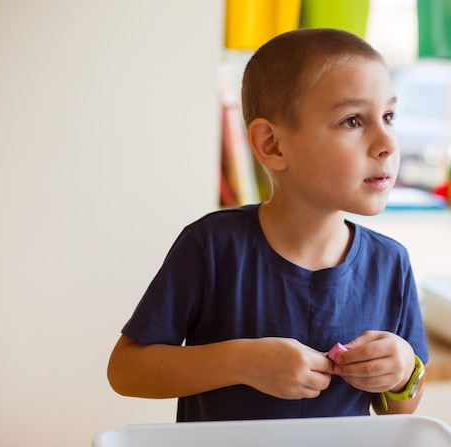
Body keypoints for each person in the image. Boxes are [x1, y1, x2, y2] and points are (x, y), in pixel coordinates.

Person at [107, 27, 429, 422]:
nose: (388, 143)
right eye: (352, 121)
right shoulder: (211, 246)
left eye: (389, 116)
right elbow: (126, 372)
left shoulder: (391, 264)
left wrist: (400, 374)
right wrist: (243, 362)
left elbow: (403, 408)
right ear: (272, 145)